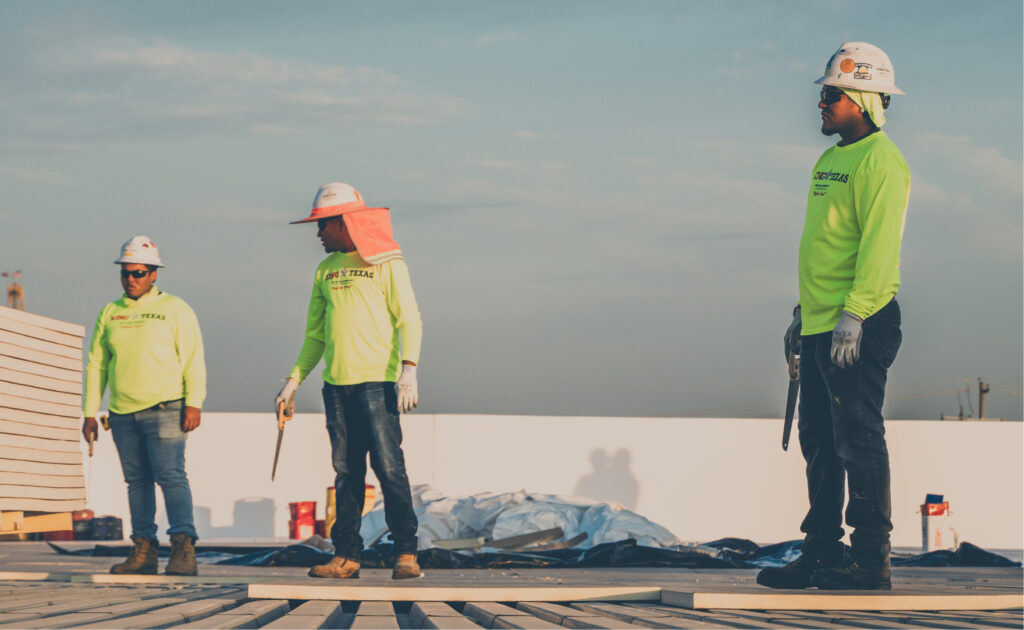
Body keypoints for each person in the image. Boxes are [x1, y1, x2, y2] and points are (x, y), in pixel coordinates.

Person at [757, 42, 910, 591]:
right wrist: (805, 315)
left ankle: (871, 561)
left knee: (859, 438)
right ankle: (821, 552)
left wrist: (855, 314)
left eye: (830, 95)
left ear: (862, 99)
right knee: (820, 440)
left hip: (859, 324)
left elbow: (878, 247)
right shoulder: (828, 161)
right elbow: (825, 246)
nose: (820, 104)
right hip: (822, 324)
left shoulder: (882, 162)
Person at [276, 182, 423, 580]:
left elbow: (408, 318)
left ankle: (406, 553)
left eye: (323, 225)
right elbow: (316, 335)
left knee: (390, 469)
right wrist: (293, 381)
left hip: (377, 384)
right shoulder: (324, 271)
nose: (318, 233)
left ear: (344, 223)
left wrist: (409, 367)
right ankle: (347, 556)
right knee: (346, 473)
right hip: (336, 388)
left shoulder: (388, 262)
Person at [82, 236, 206, 576]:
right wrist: (90, 412)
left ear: (154, 274)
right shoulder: (111, 312)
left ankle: (183, 548)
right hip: (122, 413)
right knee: (136, 482)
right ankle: (144, 551)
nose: (130, 279)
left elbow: (193, 359)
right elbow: (97, 364)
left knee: (171, 476)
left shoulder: (176, 309)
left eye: (138, 273)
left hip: (166, 408)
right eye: (125, 272)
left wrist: (193, 403)